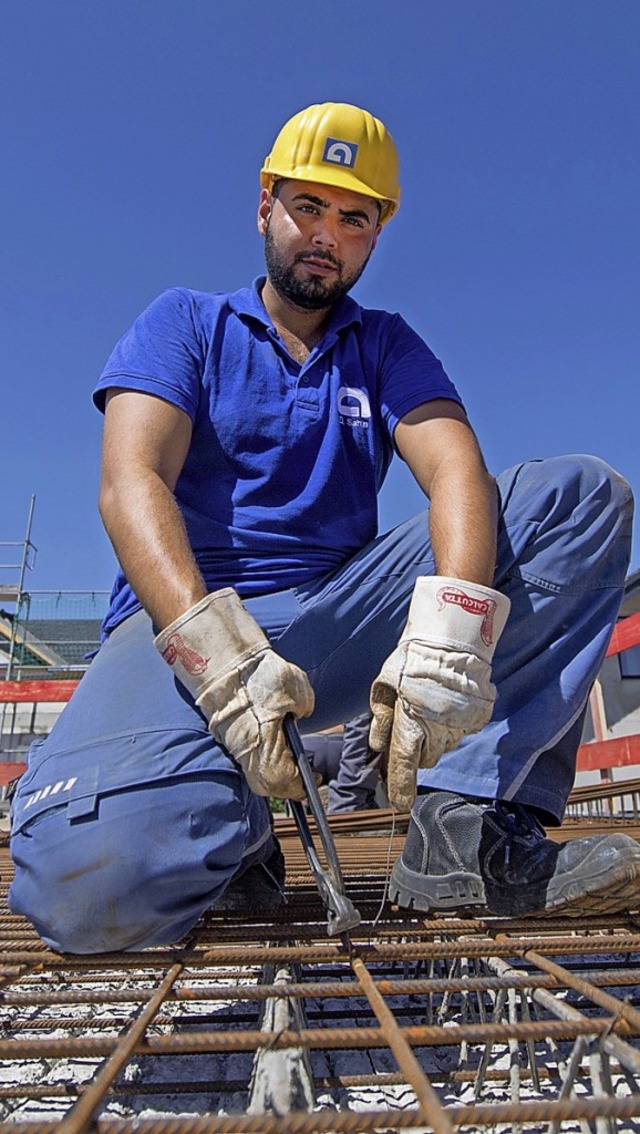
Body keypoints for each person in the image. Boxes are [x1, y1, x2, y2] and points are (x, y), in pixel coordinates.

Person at [9, 102, 636, 954]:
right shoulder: (188, 323)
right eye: (308, 205)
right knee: (92, 889)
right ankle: (231, 835)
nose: (326, 235)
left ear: (377, 235)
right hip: (185, 624)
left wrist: (452, 634)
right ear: (264, 203)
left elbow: (455, 468)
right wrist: (217, 656)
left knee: (578, 498)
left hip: (338, 616)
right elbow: (132, 483)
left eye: (355, 218)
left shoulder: (381, 346)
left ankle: (469, 828)